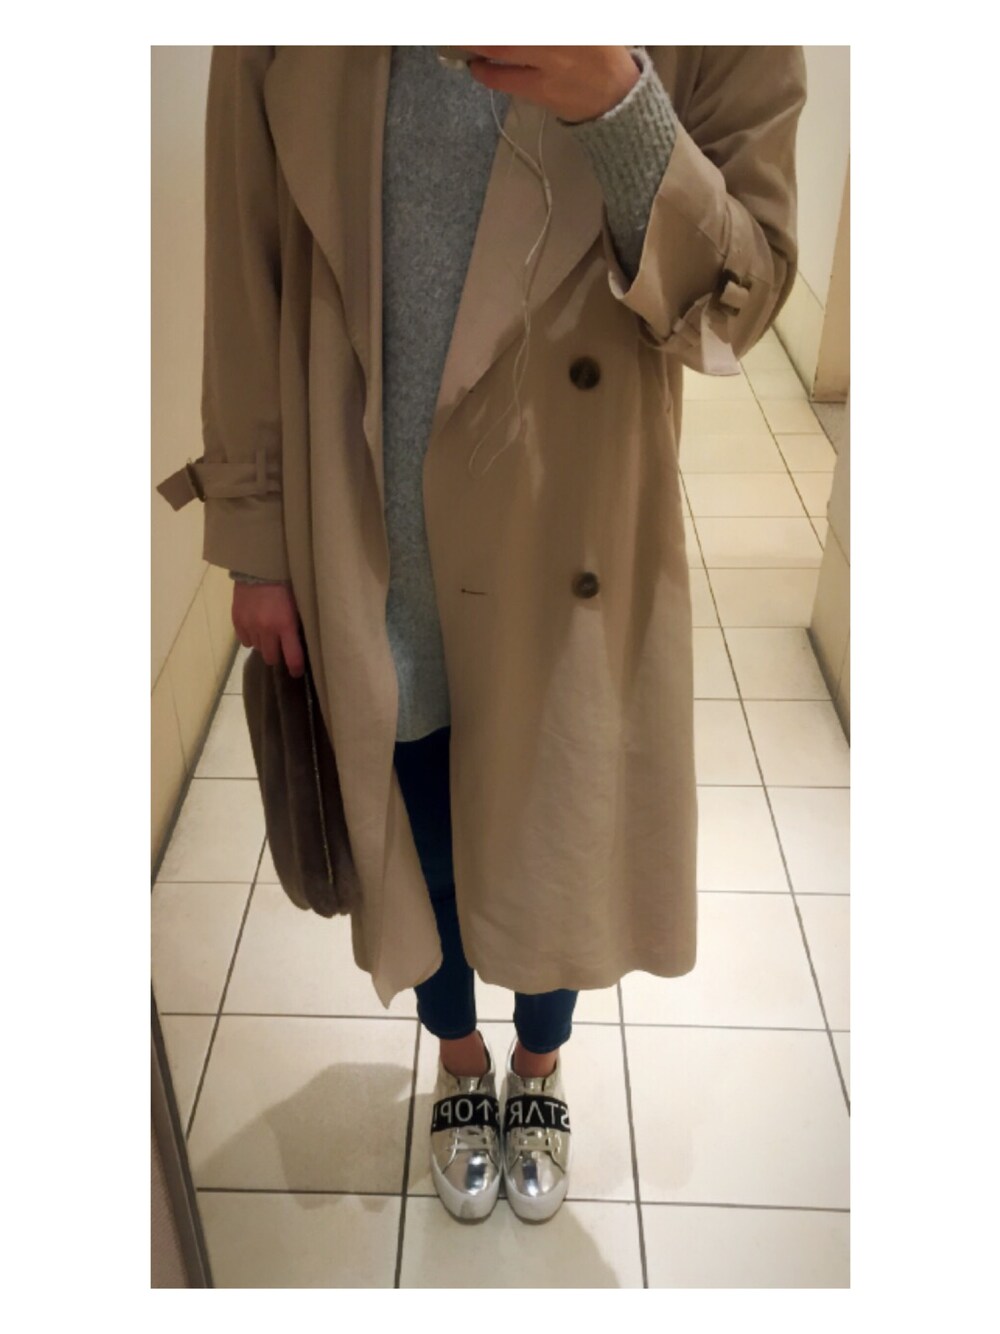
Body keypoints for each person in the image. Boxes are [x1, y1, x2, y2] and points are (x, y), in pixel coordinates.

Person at [158, 45, 805, 1224]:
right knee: (422, 840)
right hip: (368, 526)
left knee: (554, 829)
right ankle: (460, 1058)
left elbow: (741, 297)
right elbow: (247, 268)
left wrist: (620, 107)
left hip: (564, 520)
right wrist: (255, 537)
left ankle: (538, 1065)